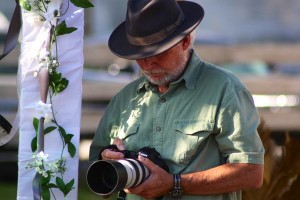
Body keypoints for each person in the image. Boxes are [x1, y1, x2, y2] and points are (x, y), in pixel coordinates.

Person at [89, 0, 265, 199]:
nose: (148, 64)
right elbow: (97, 170)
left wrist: (174, 184)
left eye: (159, 52)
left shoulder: (225, 89)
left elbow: (251, 173)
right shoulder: (124, 99)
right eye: (139, 54)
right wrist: (109, 159)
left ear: (185, 41)